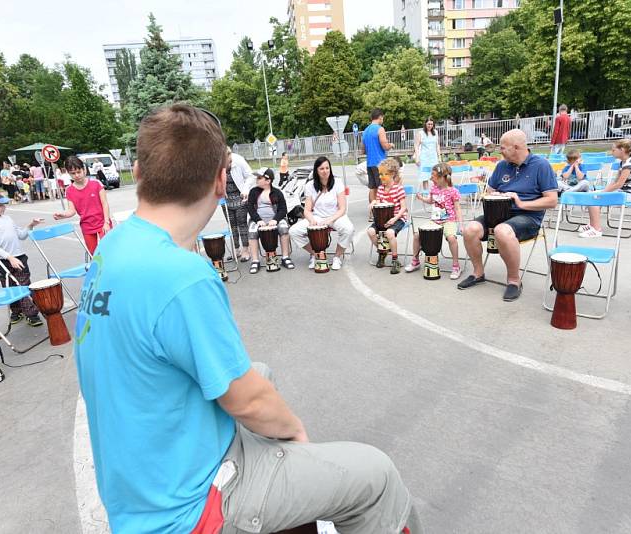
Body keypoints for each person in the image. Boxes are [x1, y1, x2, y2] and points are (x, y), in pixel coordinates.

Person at [73, 103, 423, 534]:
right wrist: (296, 436)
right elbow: (247, 402)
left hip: (139, 481)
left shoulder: (113, 247)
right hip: (187, 507)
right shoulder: (181, 277)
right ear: (222, 181)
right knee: (377, 474)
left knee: (261, 373)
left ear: (140, 174)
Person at [458, 129, 558, 301]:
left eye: (503, 148)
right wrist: (494, 194)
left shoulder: (541, 165)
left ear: (516, 147)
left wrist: (521, 203)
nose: (500, 151)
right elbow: (490, 190)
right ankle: (478, 272)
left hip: (528, 216)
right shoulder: (502, 165)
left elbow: (551, 201)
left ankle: (514, 280)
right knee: (470, 229)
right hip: (498, 213)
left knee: (502, 231)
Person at [0, 189, 44, 327]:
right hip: (3, 261)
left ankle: (31, 314)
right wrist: (9, 257)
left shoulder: (8, 218)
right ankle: (16, 311)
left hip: (19, 257)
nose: (3, 207)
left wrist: (31, 225)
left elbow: (21, 235)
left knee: (23, 285)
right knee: (9, 287)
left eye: (4, 205)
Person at [289, 156, 354, 271]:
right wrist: (311, 220)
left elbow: (342, 208)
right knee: (294, 231)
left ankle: (337, 257)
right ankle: (316, 254)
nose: (325, 171)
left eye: (327, 168)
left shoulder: (337, 183)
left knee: (348, 229)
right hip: (317, 217)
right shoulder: (310, 185)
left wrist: (330, 220)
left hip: (336, 216)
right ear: (316, 171)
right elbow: (307, 210)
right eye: (321, 169)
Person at [406, 162, 463, 280]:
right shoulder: (434, 189)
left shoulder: (453, 191)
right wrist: (422, 198)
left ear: (443, 178)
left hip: (449, 220)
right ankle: (415, 261)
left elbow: (457, 208)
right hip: (435, 221)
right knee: (417, 235)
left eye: (434, 176)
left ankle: (456, 265)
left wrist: (460, 224)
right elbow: (431, 201)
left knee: (452, 238)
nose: (431, 178)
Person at [579, 139, 631, 238]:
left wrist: (602, 192)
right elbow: (615, 182)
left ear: (622, 150)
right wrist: (603, 191)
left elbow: (619, 184)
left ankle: (597, 230)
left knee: (594, 198)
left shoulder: (629, 163)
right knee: (591, 194)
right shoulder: (624, 162)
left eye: (613, 150)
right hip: (622, 192)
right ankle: (592, 225)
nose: (612, 152)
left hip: (630, 195)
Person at [53, 156, 111, 254]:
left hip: (102, 223)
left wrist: (106, 222)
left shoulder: (96, 184)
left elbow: (105, 204)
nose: (77, 175)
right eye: (73, 173)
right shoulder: (69, 190)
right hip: (87, 226)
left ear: (84, 169)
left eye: (78, 172)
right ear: (68, 173)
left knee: (108, 251)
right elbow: (71, 211)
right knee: (95, 254)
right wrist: (63, 215)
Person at [246, 167, 295, 273]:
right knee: (252, 231)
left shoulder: (277, 192)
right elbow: (250, 208)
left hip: (275, 219)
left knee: (284, 228)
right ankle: (255, 260)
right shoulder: (253, 192)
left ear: (268, 181)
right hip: (258, 220)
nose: (257, 180)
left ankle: (285, 257)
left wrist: (275, 220)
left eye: (259, 178)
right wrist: (258, 220)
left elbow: (283, 209)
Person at [366, 158, 408, 274]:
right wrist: (373, 203)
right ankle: (382, 251)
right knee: (370, 231)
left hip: (397, 218)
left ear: (393, 174)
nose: (381, 176)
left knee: (389, 233)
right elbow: (378, 202)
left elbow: (404, 207)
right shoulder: (380, 188)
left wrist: (394, 219)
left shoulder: (398, 188)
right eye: (380, 174)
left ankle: (395, 259)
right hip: (382, 218)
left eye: (384, 174)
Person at [224, 146, 255, 262]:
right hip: (226, 199)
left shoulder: (238, 160)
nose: (228, 163)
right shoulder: (217, 162)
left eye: (229, 160)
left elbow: (250, 176)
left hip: (240, 196)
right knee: (231, 225)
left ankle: (246, 250)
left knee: (242, 224)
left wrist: (246, 189)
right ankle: (236, 250)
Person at [362, 108, 394, 211]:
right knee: (383, 187)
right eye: (382, 118)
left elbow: (363, 150)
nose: (383, 120)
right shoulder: (380, 129)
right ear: (380, 117)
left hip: (370, 163)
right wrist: (391, 145)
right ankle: (382, 211)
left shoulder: (365, 131)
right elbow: (384, 145)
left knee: (373, 188)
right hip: (380, 163)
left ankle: (372, 212)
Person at [414, 117, 440, 192]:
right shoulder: (421, 133)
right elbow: (416, 146)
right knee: (425, 176)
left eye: (431, 124)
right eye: (428, 124)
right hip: (424, 157)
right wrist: (417, 158)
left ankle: (435, 191)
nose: (430, 125)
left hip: (433, 157)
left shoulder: (435, 132)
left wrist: (439, 156)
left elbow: (437, 145)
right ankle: (426, 192)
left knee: (435, 175)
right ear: (425, 124)